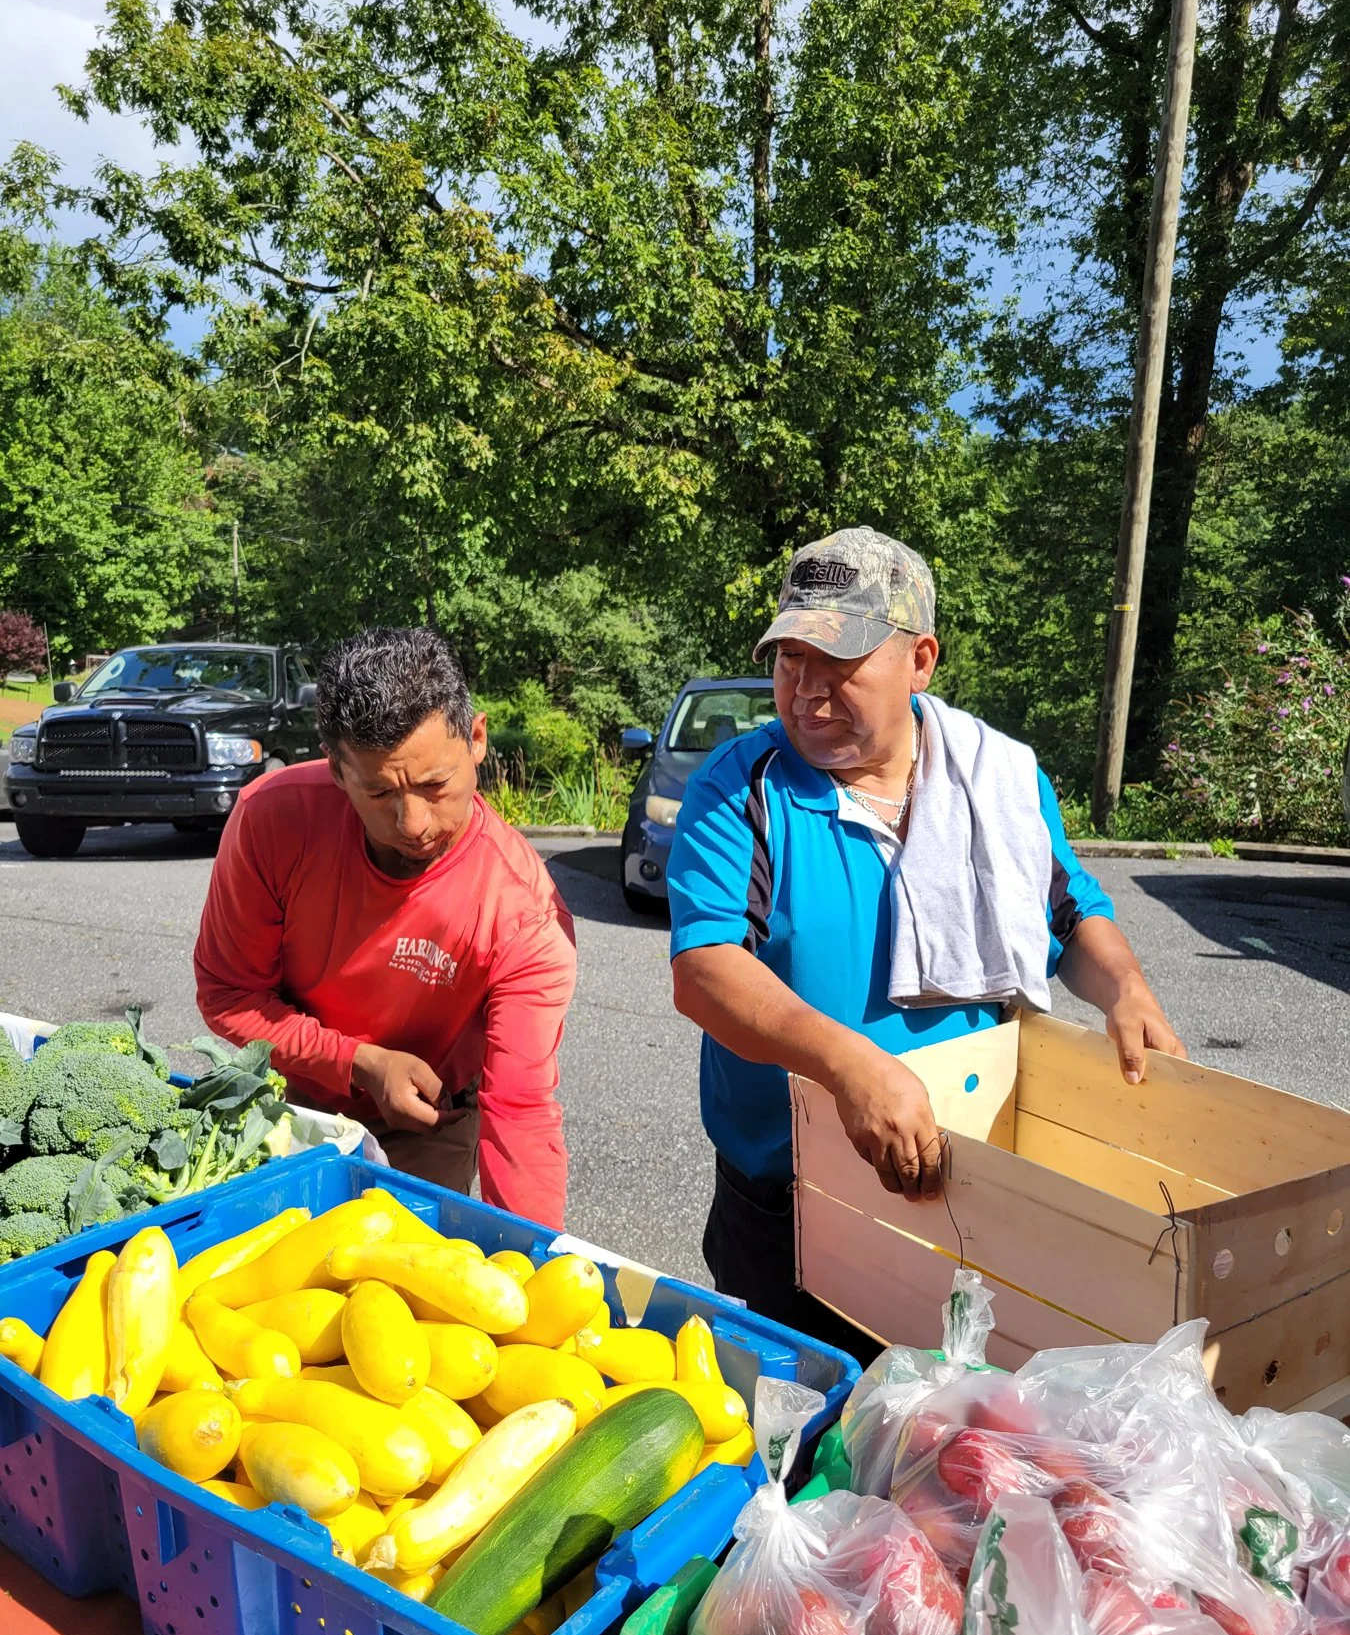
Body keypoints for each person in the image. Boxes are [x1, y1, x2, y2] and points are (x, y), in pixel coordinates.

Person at [667, 526, 1184, 1360]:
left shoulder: (999, 782)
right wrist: (850, 1066)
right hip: (787, 1206)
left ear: (921, 661)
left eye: (840, 666)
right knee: (792, 1450)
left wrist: (1126, 989)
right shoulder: (742, 790)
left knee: (946, 1448)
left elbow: (1069, 914)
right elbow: (706, 971)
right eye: (791, 660)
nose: (806, 692)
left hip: (964, 1189)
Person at [194, 627, 577, 1227]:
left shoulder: (524, 913)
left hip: (430, 1122)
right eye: (379, 792)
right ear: (337, 771)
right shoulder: (272, 818)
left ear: (476, 739)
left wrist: (533, 1262)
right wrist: (361, 1063)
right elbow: (229, 995)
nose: (413, 822)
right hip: (284, 1105)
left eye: (435, 786)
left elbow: (521, 1112)